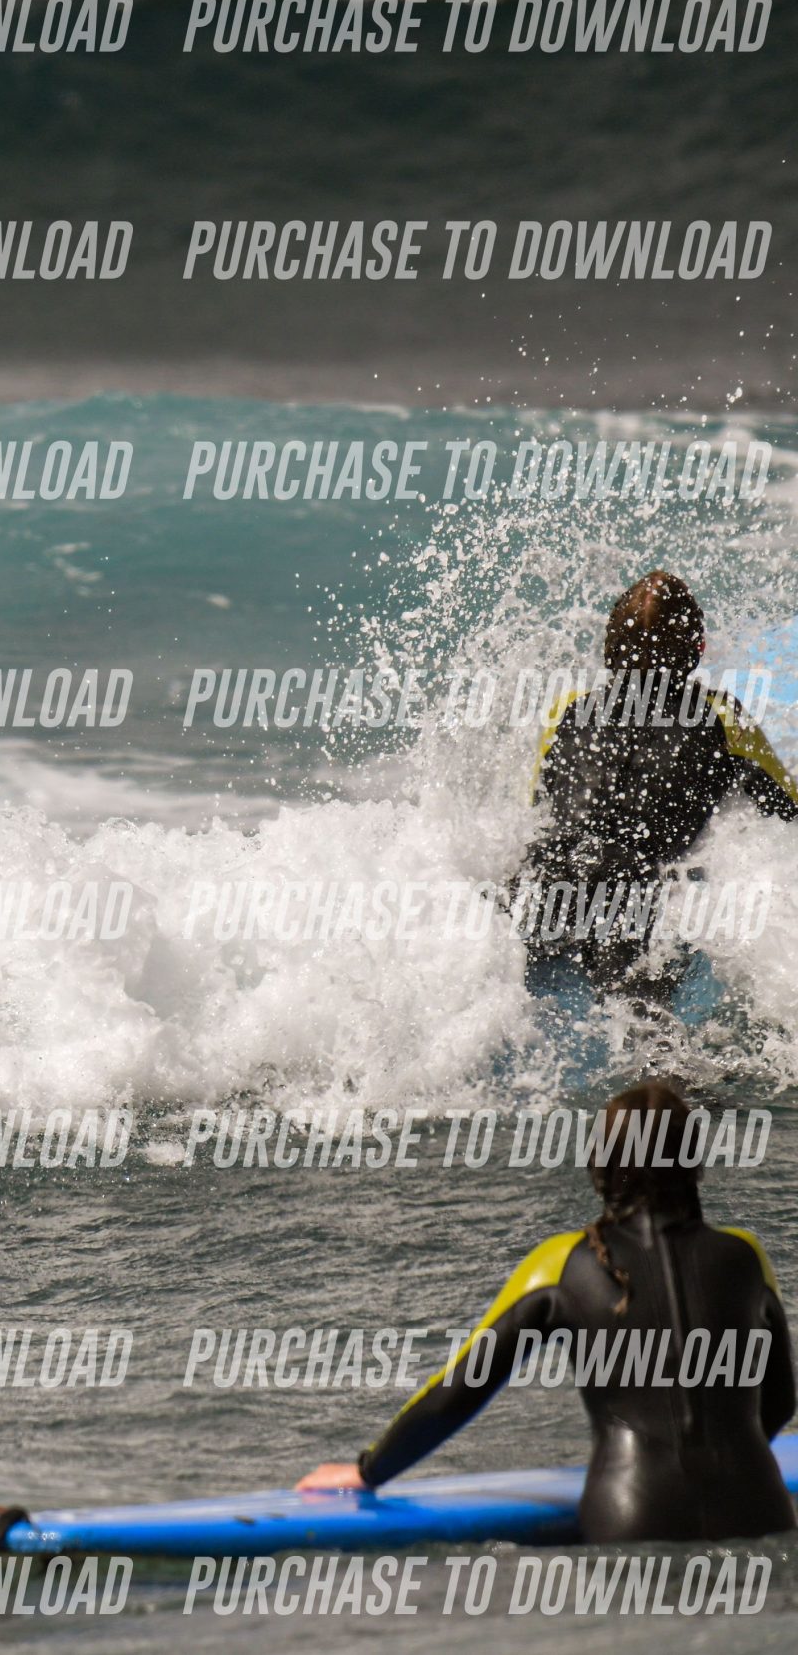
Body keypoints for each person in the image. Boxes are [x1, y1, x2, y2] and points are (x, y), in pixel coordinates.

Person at [299, 1079, 796, 1543]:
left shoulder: (562, 1263)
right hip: (757, 1509)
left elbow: (458, 1392)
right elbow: (780, 1400)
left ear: (601, 1164)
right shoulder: (746, 1256)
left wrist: (368, 1470)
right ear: (693, 1162)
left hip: (633, 1513)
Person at [520, 570, 798, 996]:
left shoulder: (567, 710)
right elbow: (787, 810)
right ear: (698, 648)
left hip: (549, 871)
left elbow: (538, 808)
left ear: (609, 648)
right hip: (630, 892)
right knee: (640, 1018)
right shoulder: (723, 717)